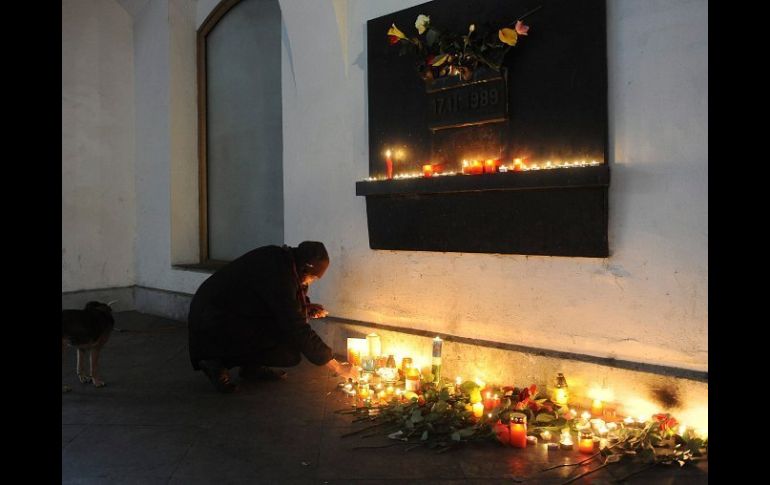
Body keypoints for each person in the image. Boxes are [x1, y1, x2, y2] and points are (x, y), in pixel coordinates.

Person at [187, 241, 353, 393]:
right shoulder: (276, 271)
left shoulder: (286, 263)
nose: (311, 282)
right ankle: (214, 362)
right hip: (213, 320)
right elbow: (294, 324)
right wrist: (335, 365)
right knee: (288, 346)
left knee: (289, 350)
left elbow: (286, 301)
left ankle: (251, 367)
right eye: (313, 277)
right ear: (304, 268)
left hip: (237, 314)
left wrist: (306, 308)